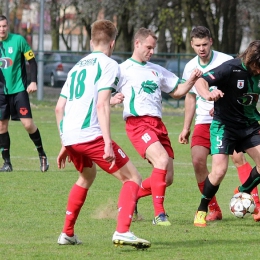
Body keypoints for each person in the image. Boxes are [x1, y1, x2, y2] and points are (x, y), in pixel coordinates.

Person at [55, 19, 151, 249]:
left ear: (90, 41)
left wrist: (64, 142)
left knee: (87, 176)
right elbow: (101, 105)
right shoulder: (109, 64)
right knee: (133, 178)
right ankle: (123, 231)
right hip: (91, 135)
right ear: (113, 43)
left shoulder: (76, 67)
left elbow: (59, 108)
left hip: (70, 135)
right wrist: (107, 142)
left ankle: (67, 233)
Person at [116, 27, 202, 226]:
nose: (152, 51)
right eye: (148, 47)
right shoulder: (122, 69)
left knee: (168, 178)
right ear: (137, 44)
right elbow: (103, 92)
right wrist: (112, 98)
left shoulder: (156, 69)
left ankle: (134, 193)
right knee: (161, 160)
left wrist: (191, 81)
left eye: (153, 48)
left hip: (158, 124)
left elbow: (177, 91)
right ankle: (159, 215)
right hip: (138, 123)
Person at [178, 26, 260, 222]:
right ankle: (202, 209)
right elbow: (201, 81)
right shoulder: (231, 67)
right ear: (252, 61)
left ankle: (243, 190)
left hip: (249, 125)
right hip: (225, 126)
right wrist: (208, 94)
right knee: (219, 171)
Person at [0, 15, 48, 172]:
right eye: (0, 26)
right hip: (1, 92)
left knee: (28, 124)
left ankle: (42, 155)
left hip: (19, 90)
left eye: (4, 26)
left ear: (8, 26)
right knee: (1, 127)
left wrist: (33, 81)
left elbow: (32, 61)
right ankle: (7, 163)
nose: (2, 29)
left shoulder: (18, 40)